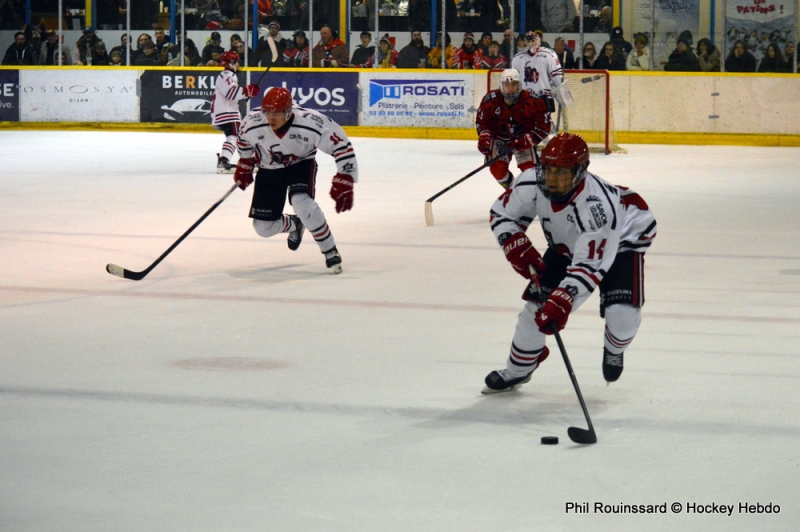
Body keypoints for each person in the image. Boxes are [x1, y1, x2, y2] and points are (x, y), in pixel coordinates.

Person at [482, 132, 657, 393]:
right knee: (536, 309)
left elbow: (589, 267)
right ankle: (518, 370)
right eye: (548, 169)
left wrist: (564, 298)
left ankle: (615, 348)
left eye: (561, 172)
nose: (552, 178)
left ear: (580, 171)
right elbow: (501, 214)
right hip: (566, 244)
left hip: (622, 239)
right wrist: (514, 243)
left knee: (621, 314)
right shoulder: (530, 183)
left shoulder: (597, 208)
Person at [233, 87, 359, 274]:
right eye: (267, 112)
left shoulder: (311, 122)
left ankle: (329, 249)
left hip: (300, 163)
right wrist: (245, 161)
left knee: (302, 203)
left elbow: (341, 145)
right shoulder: (253, 122)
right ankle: (295, 224)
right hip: (269, 168)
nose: (271, 117)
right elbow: (243, 141)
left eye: (276, 113)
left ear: (288, 111)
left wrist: (345, 176)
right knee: (263, 228)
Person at [475, 68, 551, 189]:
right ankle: (512, 190)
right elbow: (482, 122)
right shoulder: (490, 100)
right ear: (501, 85)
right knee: (498, 170)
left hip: (522, 139)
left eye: (514, 84)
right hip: (499, 139)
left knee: (530, 172)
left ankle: (531, 194)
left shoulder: (532, 100)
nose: (510, 88)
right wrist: (484, 137)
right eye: (506, 85)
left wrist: (528, 139)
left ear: (519, 85)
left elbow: (544, 126)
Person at [211, 50, 260, 173]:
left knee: (235, 136)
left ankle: (228, 160)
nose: (239, 64)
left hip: (225, 111)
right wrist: (247, 91)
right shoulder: (228, 74)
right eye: (237, 61)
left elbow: (232, 93)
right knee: (235, 136)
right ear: (231, 62)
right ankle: (224, 161)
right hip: (226, 112)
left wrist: (246, 92)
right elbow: (231, 93)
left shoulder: (226, 75)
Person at [511, 31, 564, 121]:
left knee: (544, 125)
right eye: (529, 41)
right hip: (525, 98)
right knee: (526, 124)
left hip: (544, 96)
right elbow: (514, 81)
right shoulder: (517, 58)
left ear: (538, 41)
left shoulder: (549, 55)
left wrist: (561, 90)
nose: (531, 43)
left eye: (533, 40)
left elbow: (557, 78)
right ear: (525, 42)